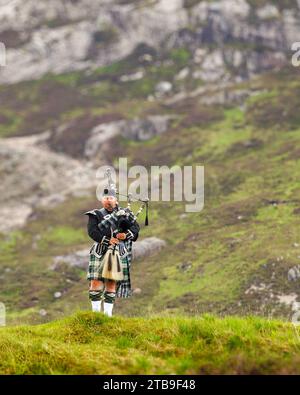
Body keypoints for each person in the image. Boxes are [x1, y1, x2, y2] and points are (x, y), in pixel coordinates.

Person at [85, 187, 140, 317]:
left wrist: (125, 235)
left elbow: (136, 229)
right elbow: (92, 232)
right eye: (105, 198)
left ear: (116, 200)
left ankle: (108, 315)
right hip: (100, 251)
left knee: (111, 282)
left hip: (118, 252)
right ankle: (96, 315)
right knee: (96, 282)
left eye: (110, 198)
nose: (107, 201)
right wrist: (108, 241)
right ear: (102, 201)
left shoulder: (125, 213)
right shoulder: (96, 215)